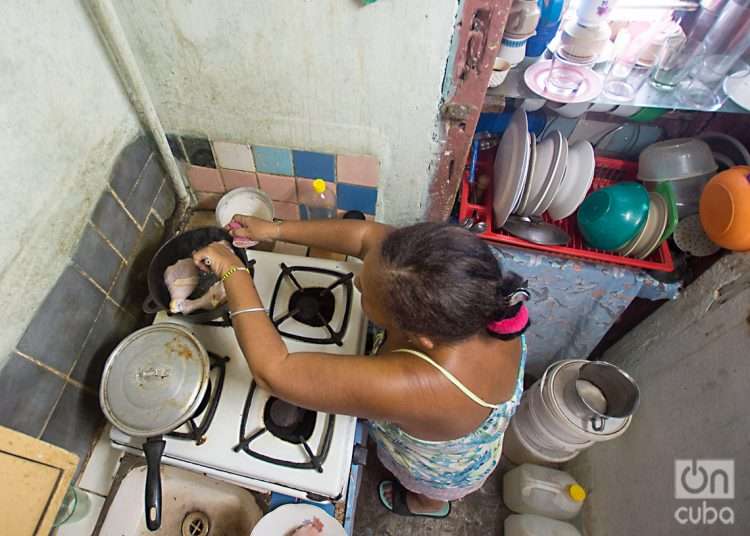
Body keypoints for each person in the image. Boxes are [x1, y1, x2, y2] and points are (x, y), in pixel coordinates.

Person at [193, 216, 529, 519]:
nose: (356, 283)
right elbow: (367, 235)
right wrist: (275, 229)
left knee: (423, 488)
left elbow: (273, 371)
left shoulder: (422, 384)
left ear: (420, 338)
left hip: (444, 464)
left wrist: (233, 271)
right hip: (471, 422)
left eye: (366, 292)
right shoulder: (466, 289)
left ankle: (428, 505)